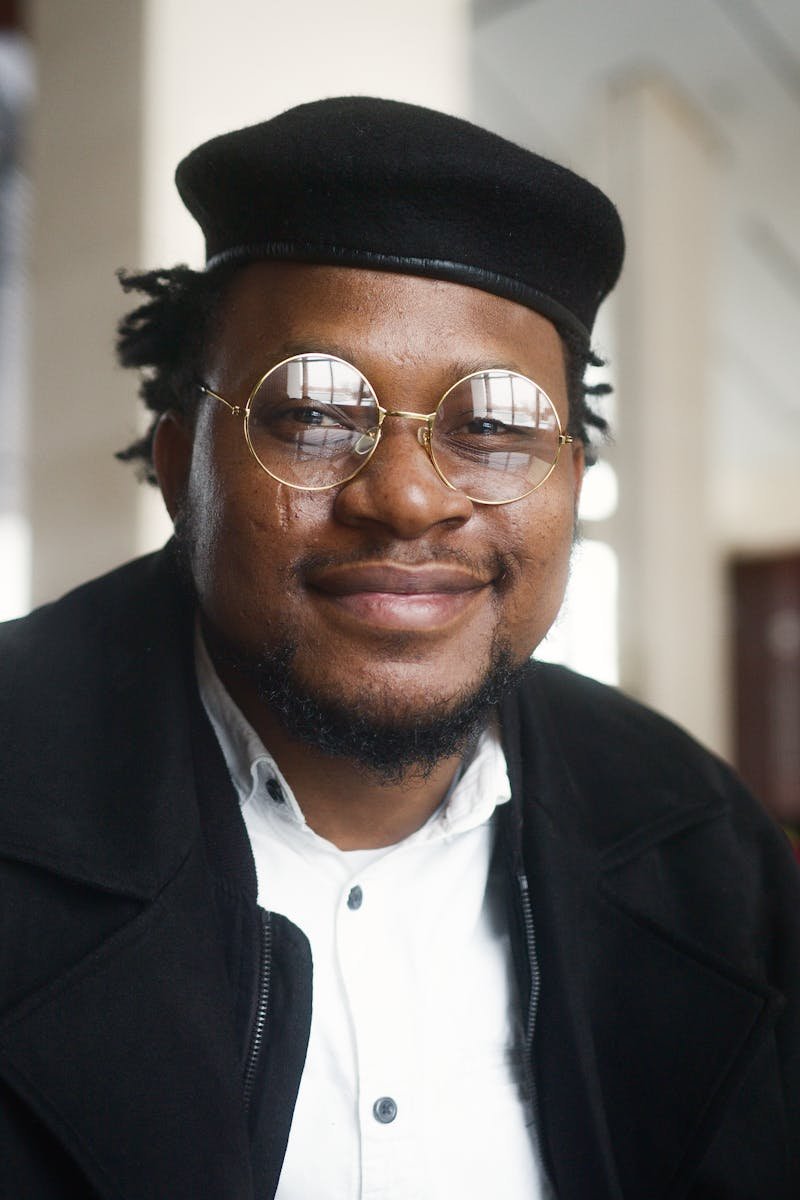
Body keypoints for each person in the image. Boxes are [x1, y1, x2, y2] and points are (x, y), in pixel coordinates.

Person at [0, 96, 798, 1200]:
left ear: (569, 481)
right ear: (181, 468)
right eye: (315, 414)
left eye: (494, 425)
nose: (410, 497)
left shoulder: (702, 842)